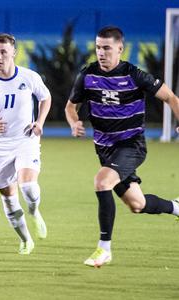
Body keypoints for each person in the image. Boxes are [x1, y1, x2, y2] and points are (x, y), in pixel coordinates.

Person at [65, 26, 179, 267]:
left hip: (131, 145)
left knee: (102, 182)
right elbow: (70, 106)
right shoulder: (87, 75)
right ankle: (176, 207)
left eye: (106, 48)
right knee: (137, 204)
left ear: (120, 49)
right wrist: (74, 123)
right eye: (98, 47)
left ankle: (104, 249)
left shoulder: (135, 75)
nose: (101, 52)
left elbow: (171, 98)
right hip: (105, 149)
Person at [0, 33, 51, 255]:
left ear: (14, 53)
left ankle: (35, 212)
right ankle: (26, 239)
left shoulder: (29, 77)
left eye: (3, 52)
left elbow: (46, 98)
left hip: (26, 140)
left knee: (28, 187)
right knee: (9, 198)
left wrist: (39, 122)